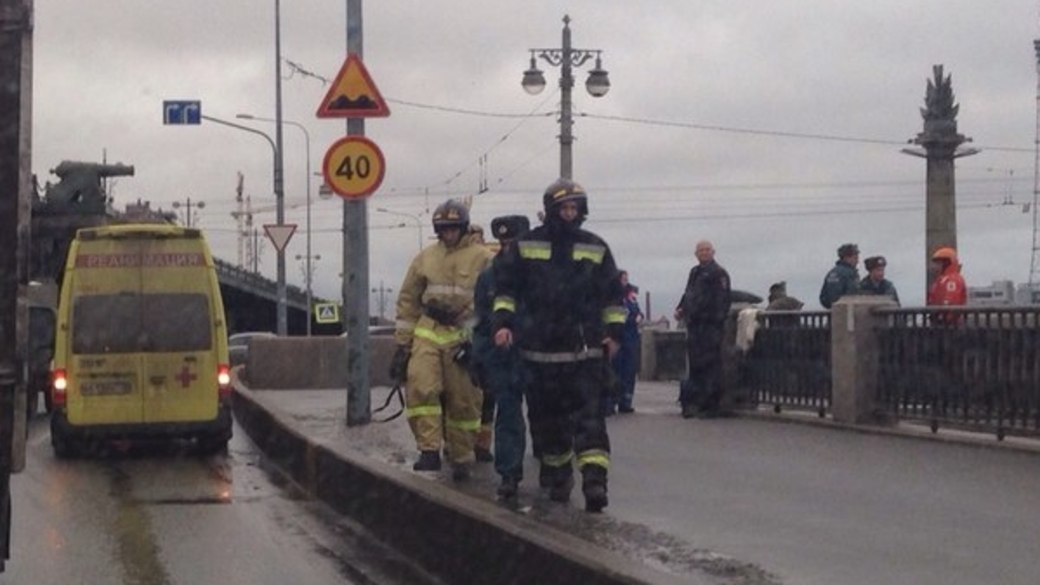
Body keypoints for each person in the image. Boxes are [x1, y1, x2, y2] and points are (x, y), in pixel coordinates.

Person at [492, 178, 624, 513]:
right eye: (564, 208)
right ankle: (559, 472)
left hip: (585, 350)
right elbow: (506, 291)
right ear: (551, 210)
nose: (569, 213)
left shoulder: (596, 246)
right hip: (539, 353)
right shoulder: (525, 245)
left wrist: (614, 334)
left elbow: (613, 296)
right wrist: (503, 325)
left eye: (574, 208)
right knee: (547, 421)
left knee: (590, 419)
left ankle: (595, 481)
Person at [389, 199, 493, 481]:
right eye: (443, 229)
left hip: (464, 337)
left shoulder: (483, 258)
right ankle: (429, 450)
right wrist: (403, 345)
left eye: (452, 229)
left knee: (464, 400)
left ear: (463, 228)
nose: (448, 234)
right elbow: (408, 301)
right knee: (421, 388)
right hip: (428, 331)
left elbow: (492, 302)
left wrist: (479, 339)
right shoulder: (425, 258)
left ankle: (461, 455)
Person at [472, 214, 532, 499]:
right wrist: (481, 358)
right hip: (504, 358)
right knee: (508, 415)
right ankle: (509, 474)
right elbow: (482, 323)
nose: (508, 248)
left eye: (514, 242)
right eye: (504, 242)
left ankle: (556, 469)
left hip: (540, 355)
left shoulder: (540, 273)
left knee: (549, 414)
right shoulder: (488, 277)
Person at [674, 240, 731, 419]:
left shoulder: (719, 273)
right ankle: (696, 403)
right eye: (701, 250)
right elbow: (688, 293)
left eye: (707, 250)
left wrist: (714, 321)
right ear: (696, 254)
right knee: (696, 366)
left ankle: (711, 405)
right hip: (694, 326)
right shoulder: (695, 272)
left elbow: (723, 300)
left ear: (713, 252)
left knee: (711, 366)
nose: (705, 253)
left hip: (710, 327)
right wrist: (681, 308)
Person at [609, 271, 643, 415]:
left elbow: (637, 312)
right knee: (614, 371)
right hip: (617, 336)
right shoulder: (610, 295)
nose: (625, 281)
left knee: (629, 372)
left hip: (631, 337)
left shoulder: (631, 296)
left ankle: (625, 402)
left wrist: (639, 317)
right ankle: (610, 403)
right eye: (622, 279)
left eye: (626, 279)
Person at [927, 246, 967, 324]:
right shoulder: (940, 280)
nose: (936, 266)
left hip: (950, 325)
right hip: (939, 322)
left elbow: (951, 300)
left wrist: (943, 318)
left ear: (947, 263)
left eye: (939, 263)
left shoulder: (953, 279)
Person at [819, 243, 860, 309]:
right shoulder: (850, 274)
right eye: (855, 258)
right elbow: (853, 294)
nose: (857, 261)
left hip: (833, 312)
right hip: (847, 312)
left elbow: (824, 298)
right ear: (846, 257)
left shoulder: (832, 273)